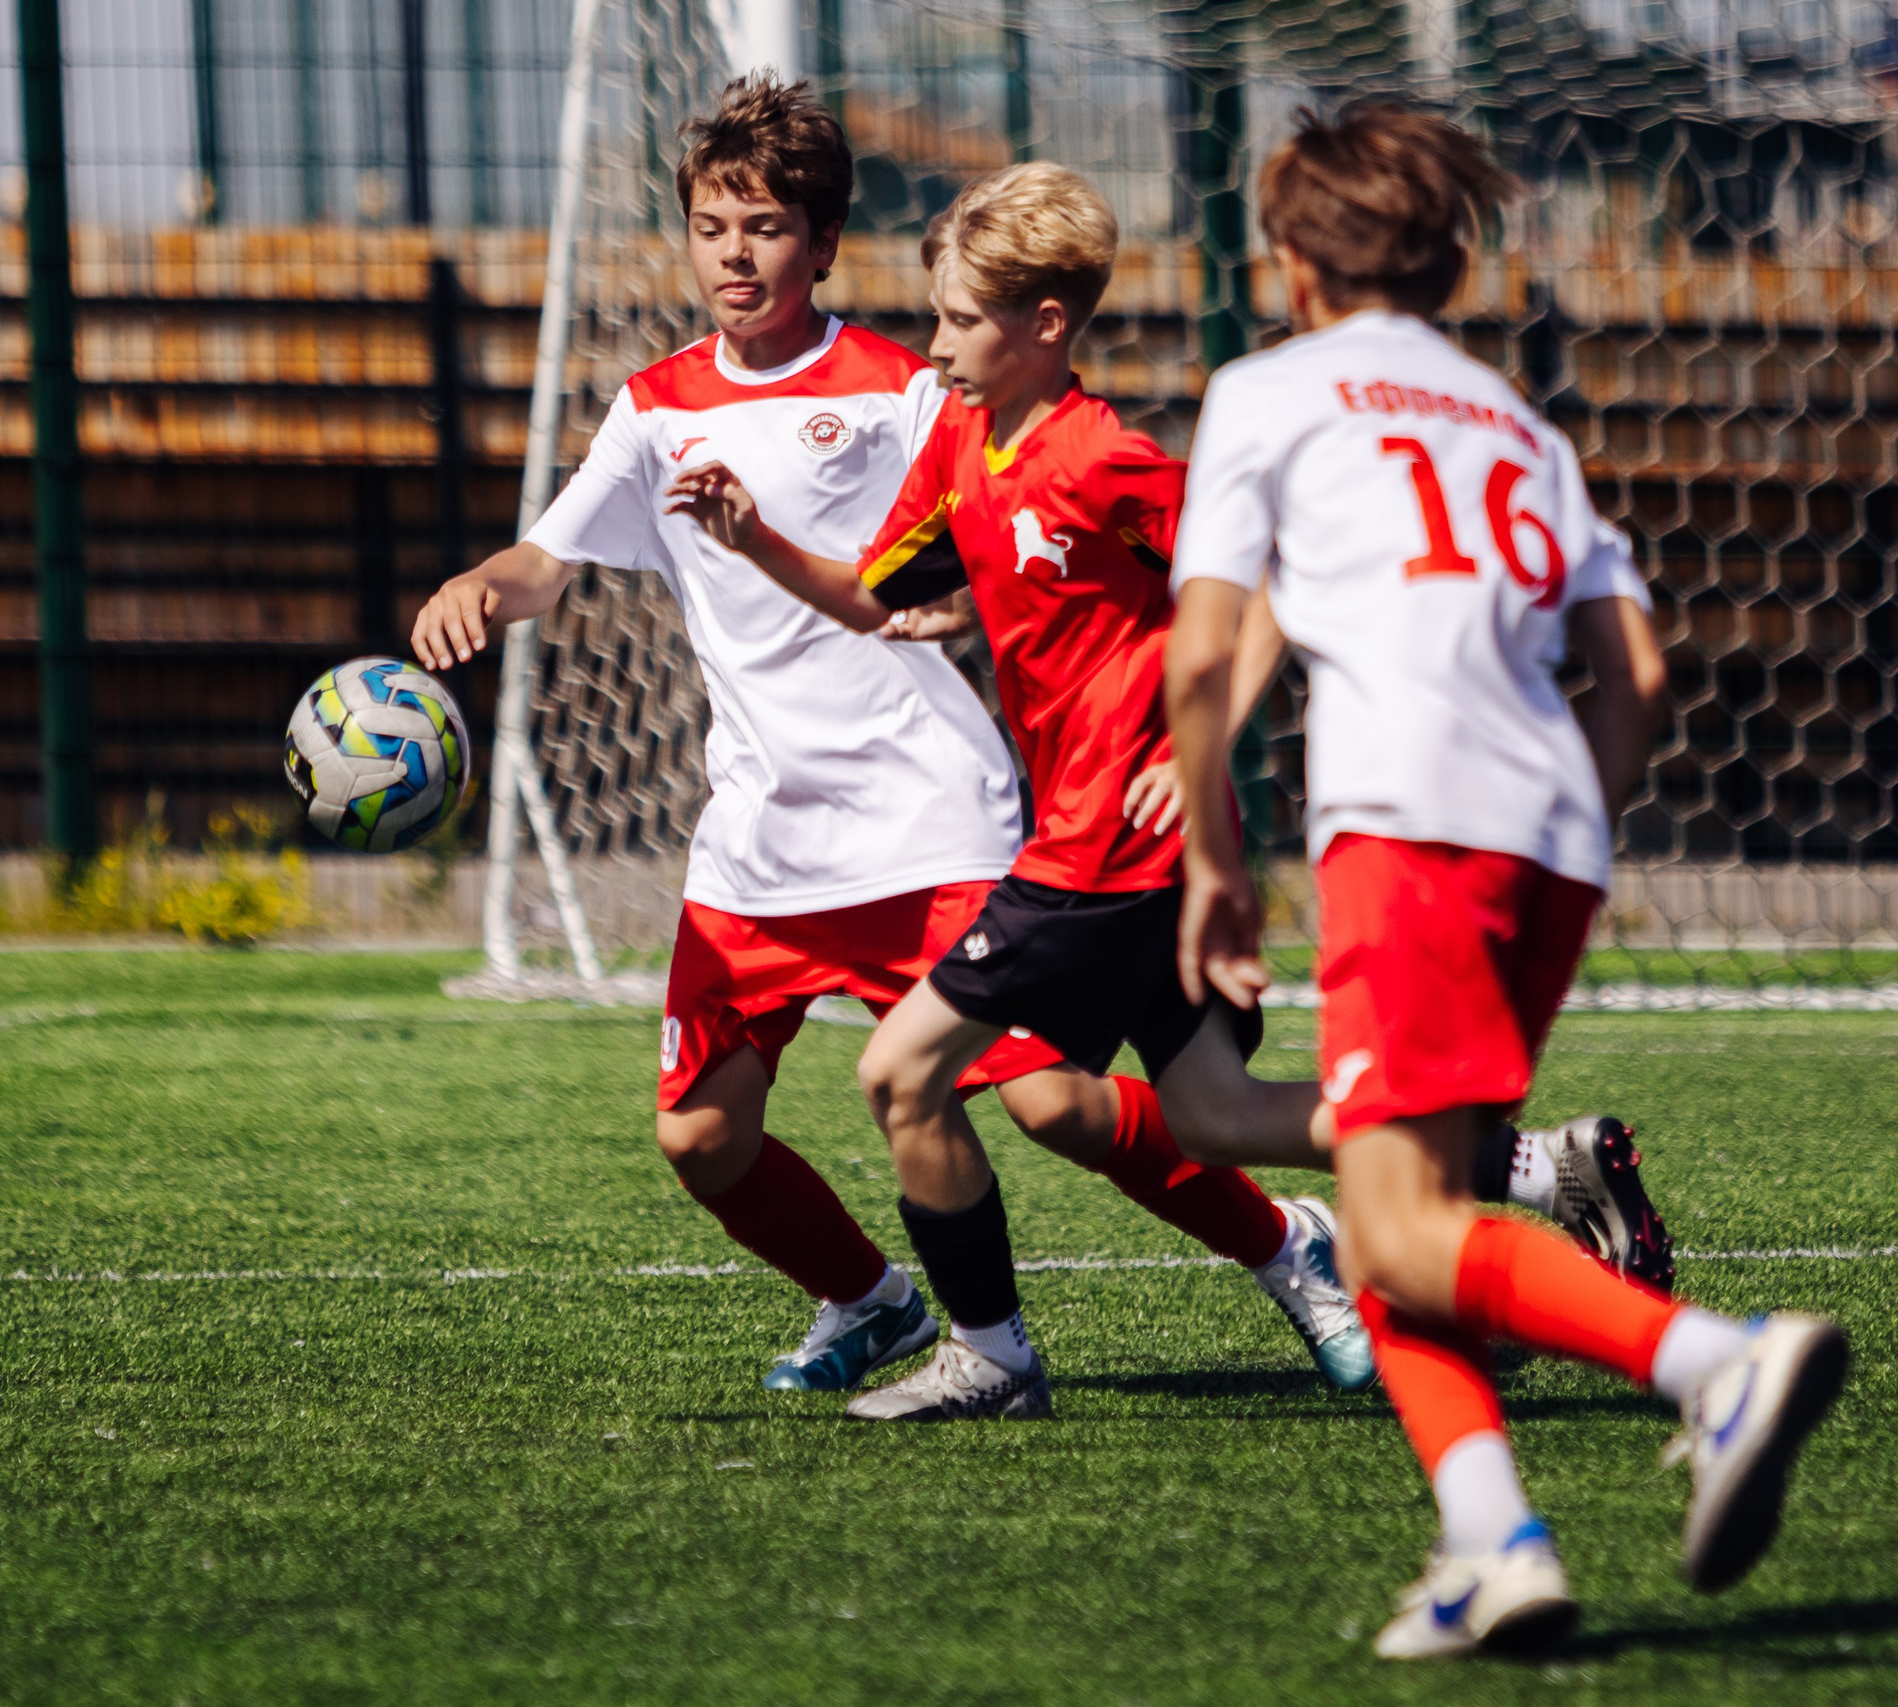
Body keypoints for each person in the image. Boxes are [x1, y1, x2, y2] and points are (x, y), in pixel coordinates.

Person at [410, 76, 1366, 1401]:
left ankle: (1285, 1245)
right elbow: (548, 558)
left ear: (819, 242)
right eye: (708, 225)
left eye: (762, 227)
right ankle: (870, 1299)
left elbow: (990, 545)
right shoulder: (657, 405)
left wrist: (956, 626)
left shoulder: (907, 387)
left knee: (1057, 1105)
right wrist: (480, 585)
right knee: (699, 1135)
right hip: (761, 835)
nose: (732, 255)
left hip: (928, 813)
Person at [1164, 104, 1849, 1657]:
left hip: (1409, 824)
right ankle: (1494, 1540)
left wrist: (1215, 861)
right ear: (1448, 258)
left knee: (1396, 1228)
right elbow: (1642, 675)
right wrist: (1567, 831)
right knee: (1409, 1205)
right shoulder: (1517, 424)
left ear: (1289, 261)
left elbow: (1202, 652)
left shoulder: (1267, 389)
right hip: (1550, 834)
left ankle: (1712, 1363)